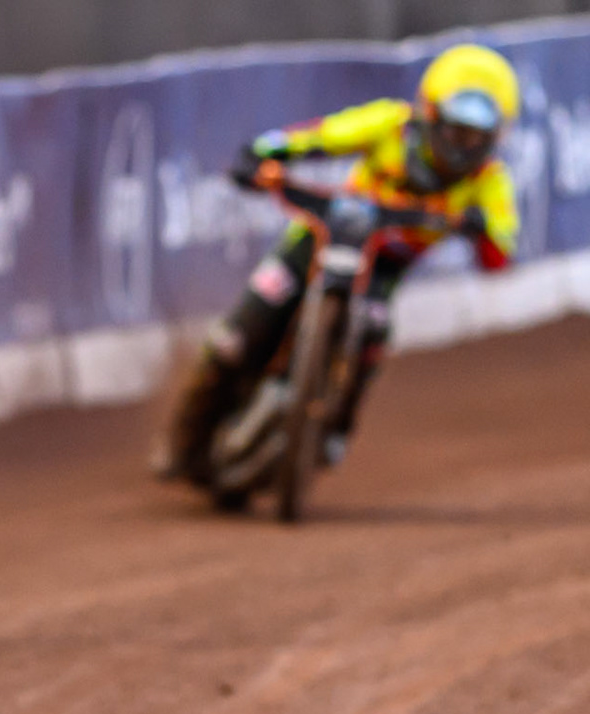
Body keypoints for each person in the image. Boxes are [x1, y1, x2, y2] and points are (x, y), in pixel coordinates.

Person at [161, 43, 520, 483]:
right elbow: (319, 135)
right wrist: (265, 152)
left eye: (477, 136)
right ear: (429, 113)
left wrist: (482, 230)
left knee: (374, 331)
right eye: (456, 130)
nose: (463, 145)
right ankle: (183, 441)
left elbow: (502, 251)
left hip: (383, 268)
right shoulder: (391, 124)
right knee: (235, 337)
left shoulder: (490, 182)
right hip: (320, 239)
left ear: (495, 137)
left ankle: (337, 427)